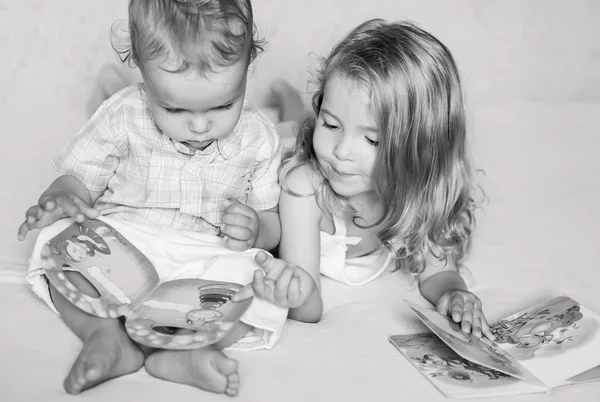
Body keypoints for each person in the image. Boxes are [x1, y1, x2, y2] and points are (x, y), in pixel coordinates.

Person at [17, 0, 287, 396]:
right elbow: (77, 183)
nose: (199, 125)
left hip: (207, 257)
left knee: (263, 289)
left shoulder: (259, 137)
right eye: (174, 108)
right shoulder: (123, 114)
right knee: (58, 242)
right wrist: (61, 199)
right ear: (141, 69)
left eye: (223, 105)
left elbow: (272, 225)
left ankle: (181, 353)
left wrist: (254, 229)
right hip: (125, 244)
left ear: (249, 67)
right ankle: (106, 336)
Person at [233, 19, 494, 340]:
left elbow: (437, 273)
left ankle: (290, 106)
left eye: (372, 140)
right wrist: (295, 294)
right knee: (283, 132)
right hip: (292, 155)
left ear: (420, 150)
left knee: (291, 123)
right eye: (330, 124)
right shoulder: (303, 189)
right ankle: (287, 102)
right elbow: (308, 305)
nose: (342, 151)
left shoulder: (417, 192)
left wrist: (454, 293)